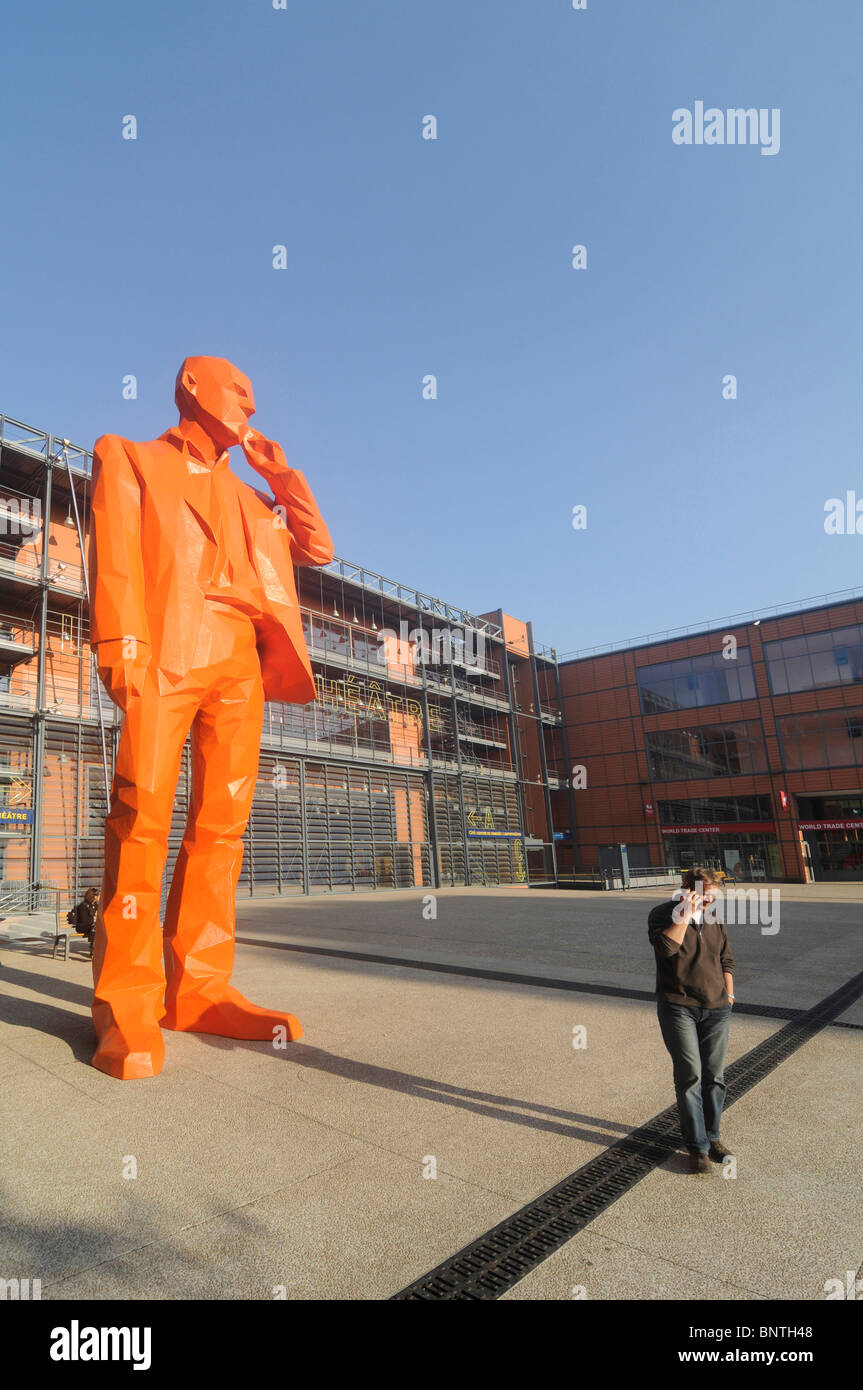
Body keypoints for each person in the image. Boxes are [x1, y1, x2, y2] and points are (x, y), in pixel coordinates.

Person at [88, 356, 333, 1080]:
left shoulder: (256, 502)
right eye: (240, 396)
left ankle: (198, 989)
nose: (250, 411)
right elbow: (117, 560)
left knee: (221, 828)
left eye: (256, 404)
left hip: (239, 664)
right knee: (142, 818)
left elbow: (317, 548)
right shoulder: (128, 457)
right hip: (166, 651)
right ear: (192, 388)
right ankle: (126, 1004)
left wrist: (281, 476)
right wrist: (119, 645)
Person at [648, 867, 736, 1175]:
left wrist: (729, 995)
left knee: (715, 1077)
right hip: (678, 1006)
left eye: (714, 896)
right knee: (690, 1078)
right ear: (687, 888)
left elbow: (726, 958)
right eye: (705, 895)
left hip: (716, 1008)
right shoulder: (661, 914)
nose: (709, 902)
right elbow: (666, 948)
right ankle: (696, 1147)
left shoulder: (714, 917)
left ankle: (713, 1137)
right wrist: (686, 911)